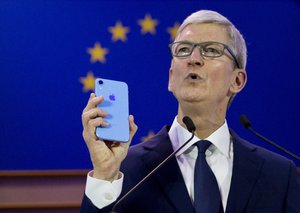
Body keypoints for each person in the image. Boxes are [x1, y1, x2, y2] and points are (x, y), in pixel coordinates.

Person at [80, 10, 300, 213]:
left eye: (211, 50)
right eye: (183, 50)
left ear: (237, 80)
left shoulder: (279, 175)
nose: (193, 59)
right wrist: (105, 174)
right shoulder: (125, 168)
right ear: (170, 77)